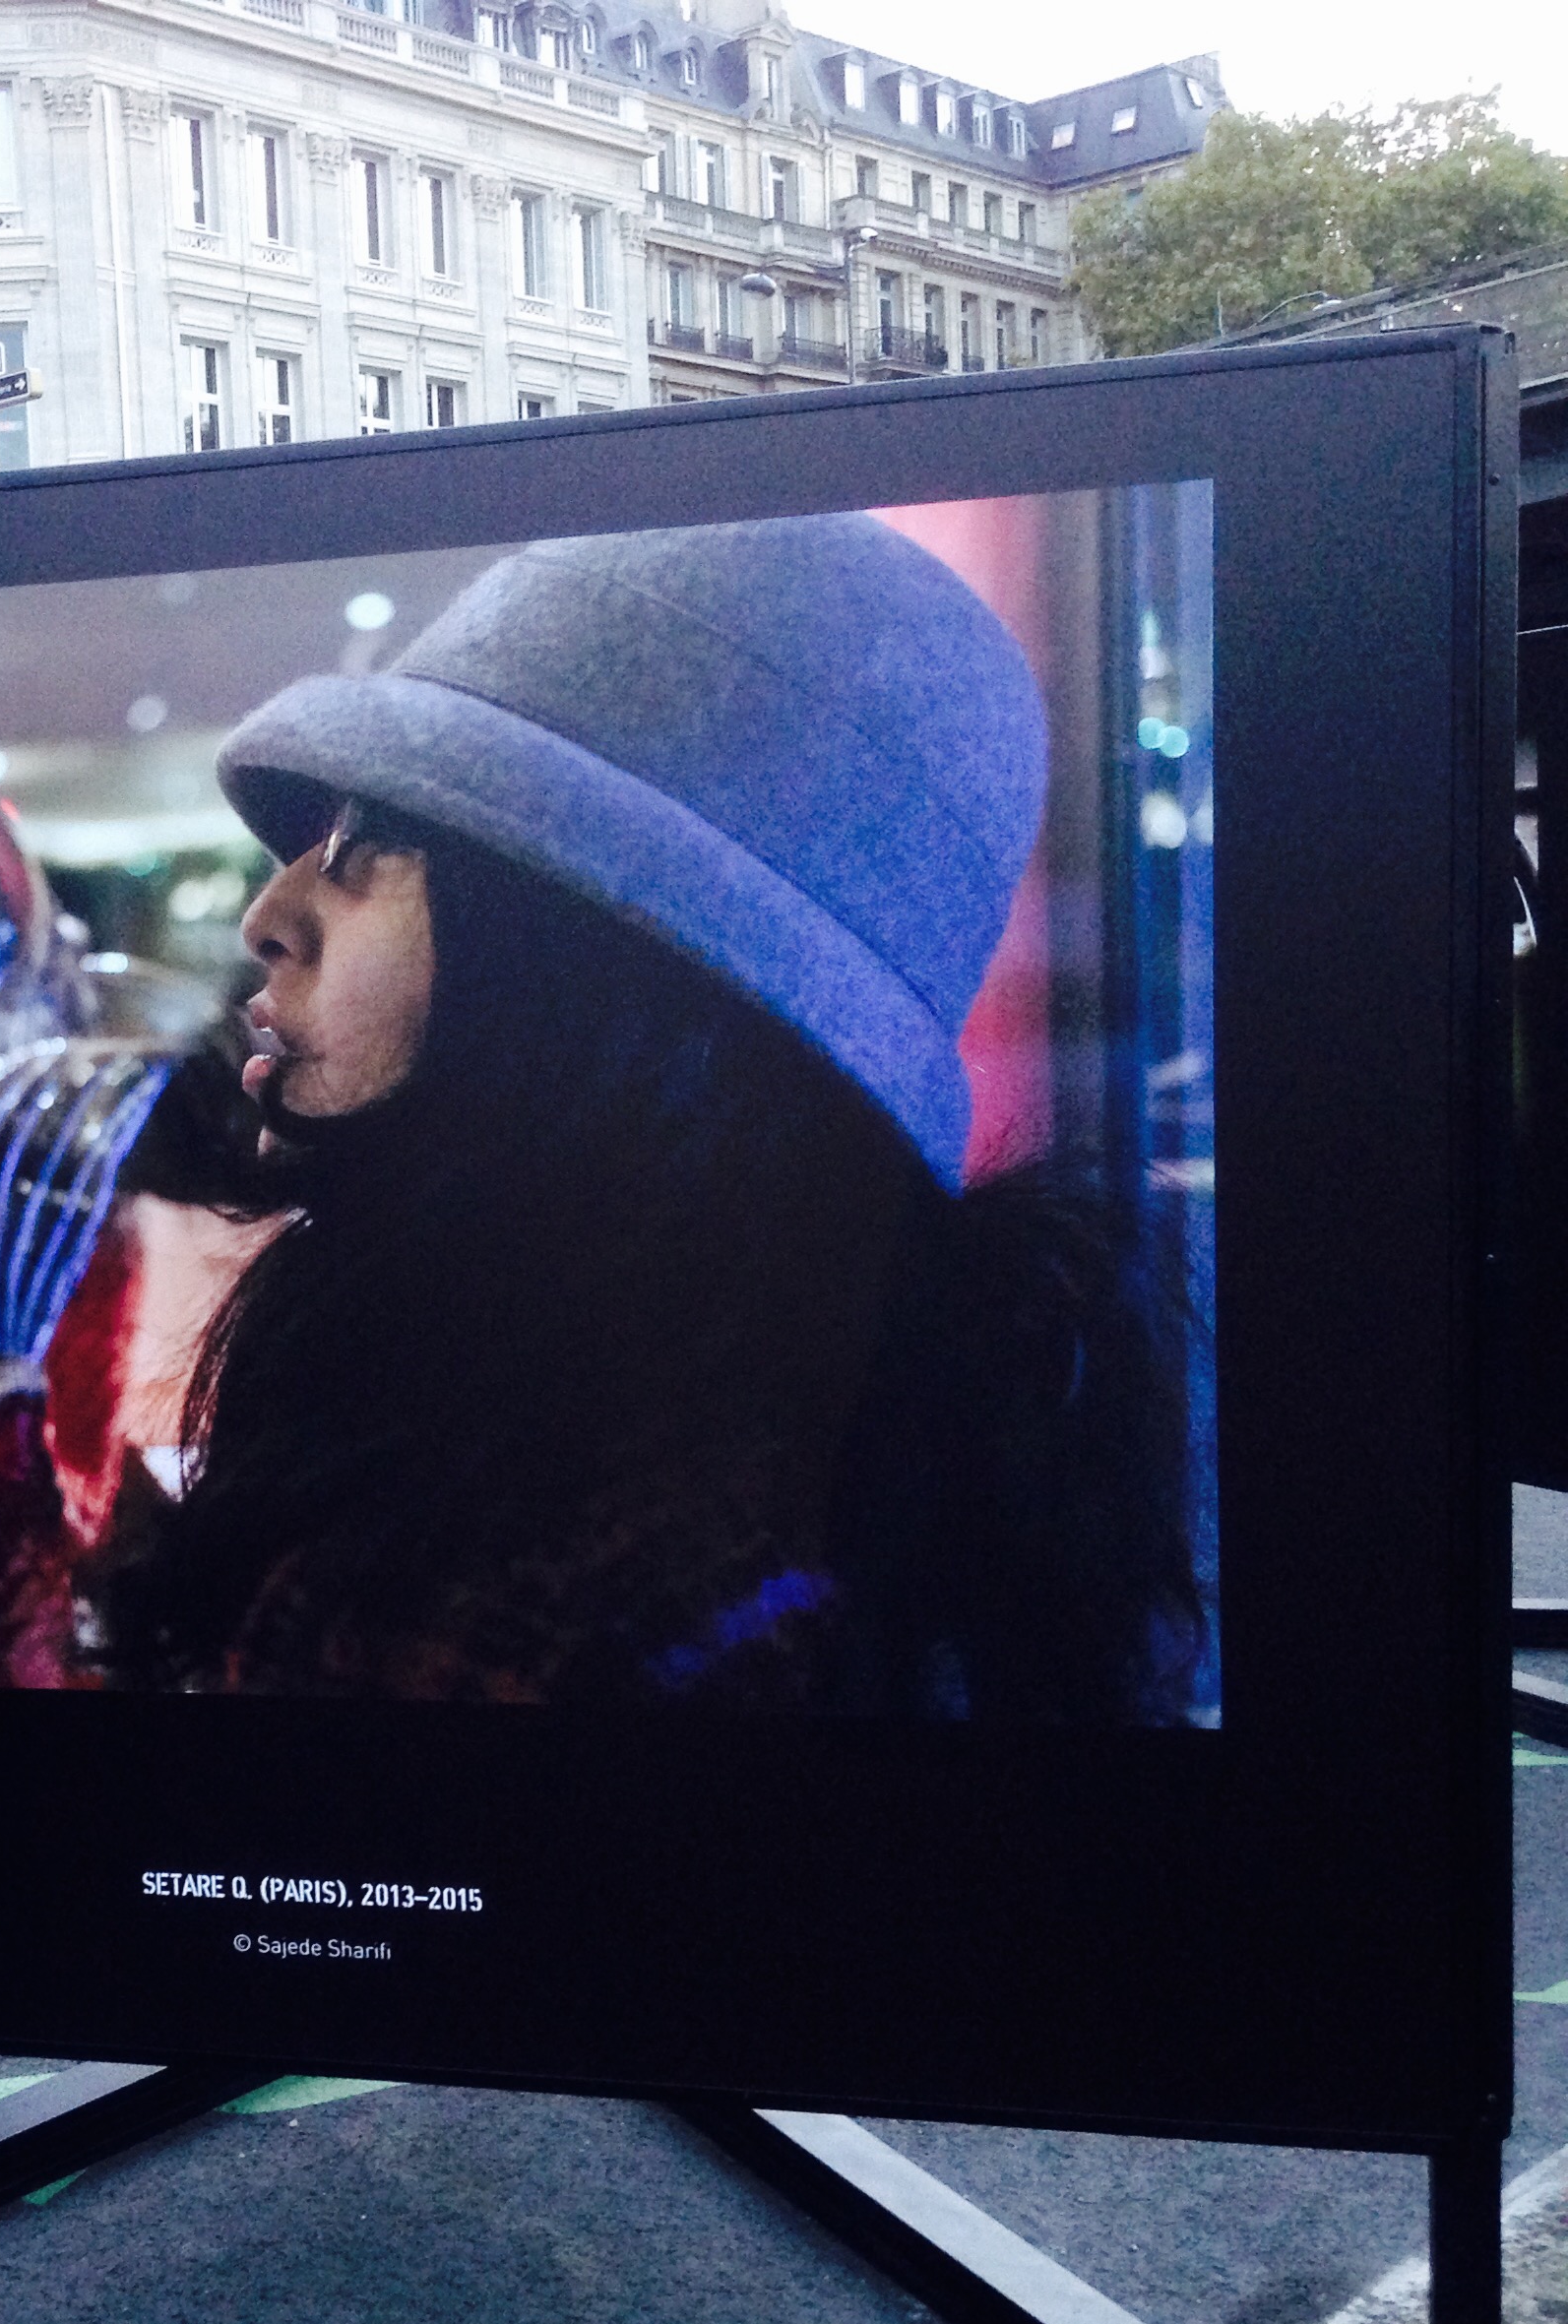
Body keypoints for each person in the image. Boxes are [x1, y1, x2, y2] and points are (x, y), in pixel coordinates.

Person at [99, 511, 1206, 1719]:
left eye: (369, 842)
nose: (271, 912)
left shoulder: (565, 1596)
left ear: (588, 962)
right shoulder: (810, 1430)